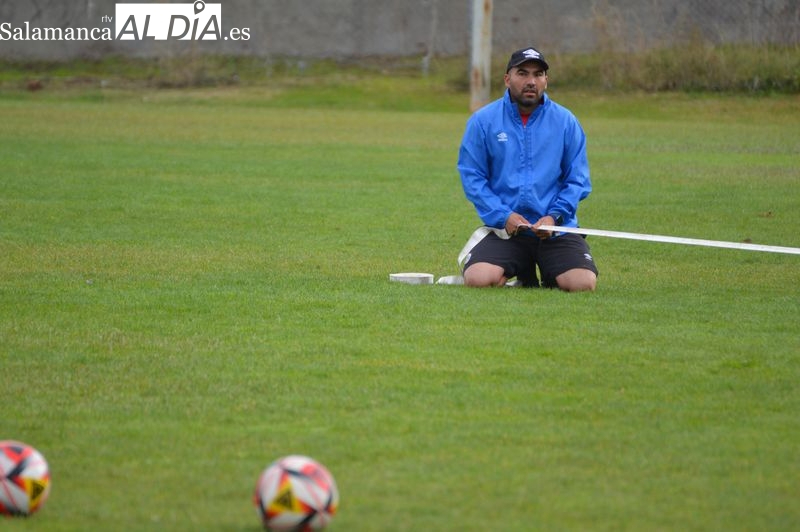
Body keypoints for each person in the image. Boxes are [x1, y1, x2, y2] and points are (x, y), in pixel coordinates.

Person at [456, 46, 598, 291]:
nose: (531, 81)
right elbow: (473, 178)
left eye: (538, 74)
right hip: (506, 231)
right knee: (478, 280)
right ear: (507, 78)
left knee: (582, 284)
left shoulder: (566, 121)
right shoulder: (483, 121)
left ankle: (551, 271)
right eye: (523, 73)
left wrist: (554, 216)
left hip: (556, 230)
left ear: (546, 80)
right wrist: (504, 216)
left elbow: (578, 180)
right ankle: (519, 269)